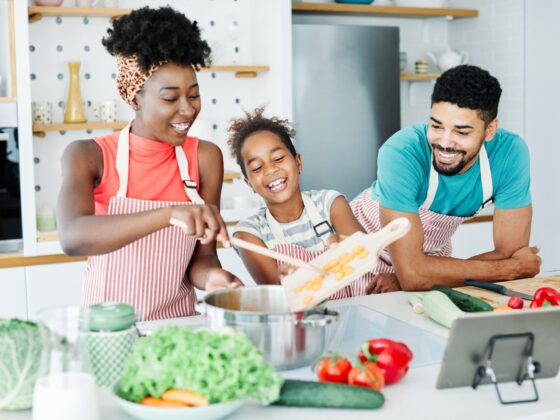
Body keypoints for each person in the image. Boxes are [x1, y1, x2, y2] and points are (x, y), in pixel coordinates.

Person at [57, 6, 241, 321]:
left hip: (180, 327)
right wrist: (170, 214)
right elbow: (73, 237)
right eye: (170, 99)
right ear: (135, 97)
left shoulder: (205, 158)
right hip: (111, 332)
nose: (187, 110)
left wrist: (214, 280)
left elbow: (203, 257)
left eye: (194, 96)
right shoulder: (88, 155)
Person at [351, 65, 541, 293]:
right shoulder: (402, 151)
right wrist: (512, 269)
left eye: (461, 132)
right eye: (436, 126)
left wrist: (417, 274)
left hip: (430, 260)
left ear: (490, 130)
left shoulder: (509, 153)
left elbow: (510, 254)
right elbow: (515, 264)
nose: (445, 143)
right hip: (355, 253)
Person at [228, 108, 371, 298]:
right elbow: (279, 294)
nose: (270, 170)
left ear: (298, 162)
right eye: (257, 167)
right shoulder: (248, 234)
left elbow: (365, 257)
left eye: (278, 158)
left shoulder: (330, 204)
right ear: (249, 184)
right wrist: (286, 280)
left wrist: (348, 247)